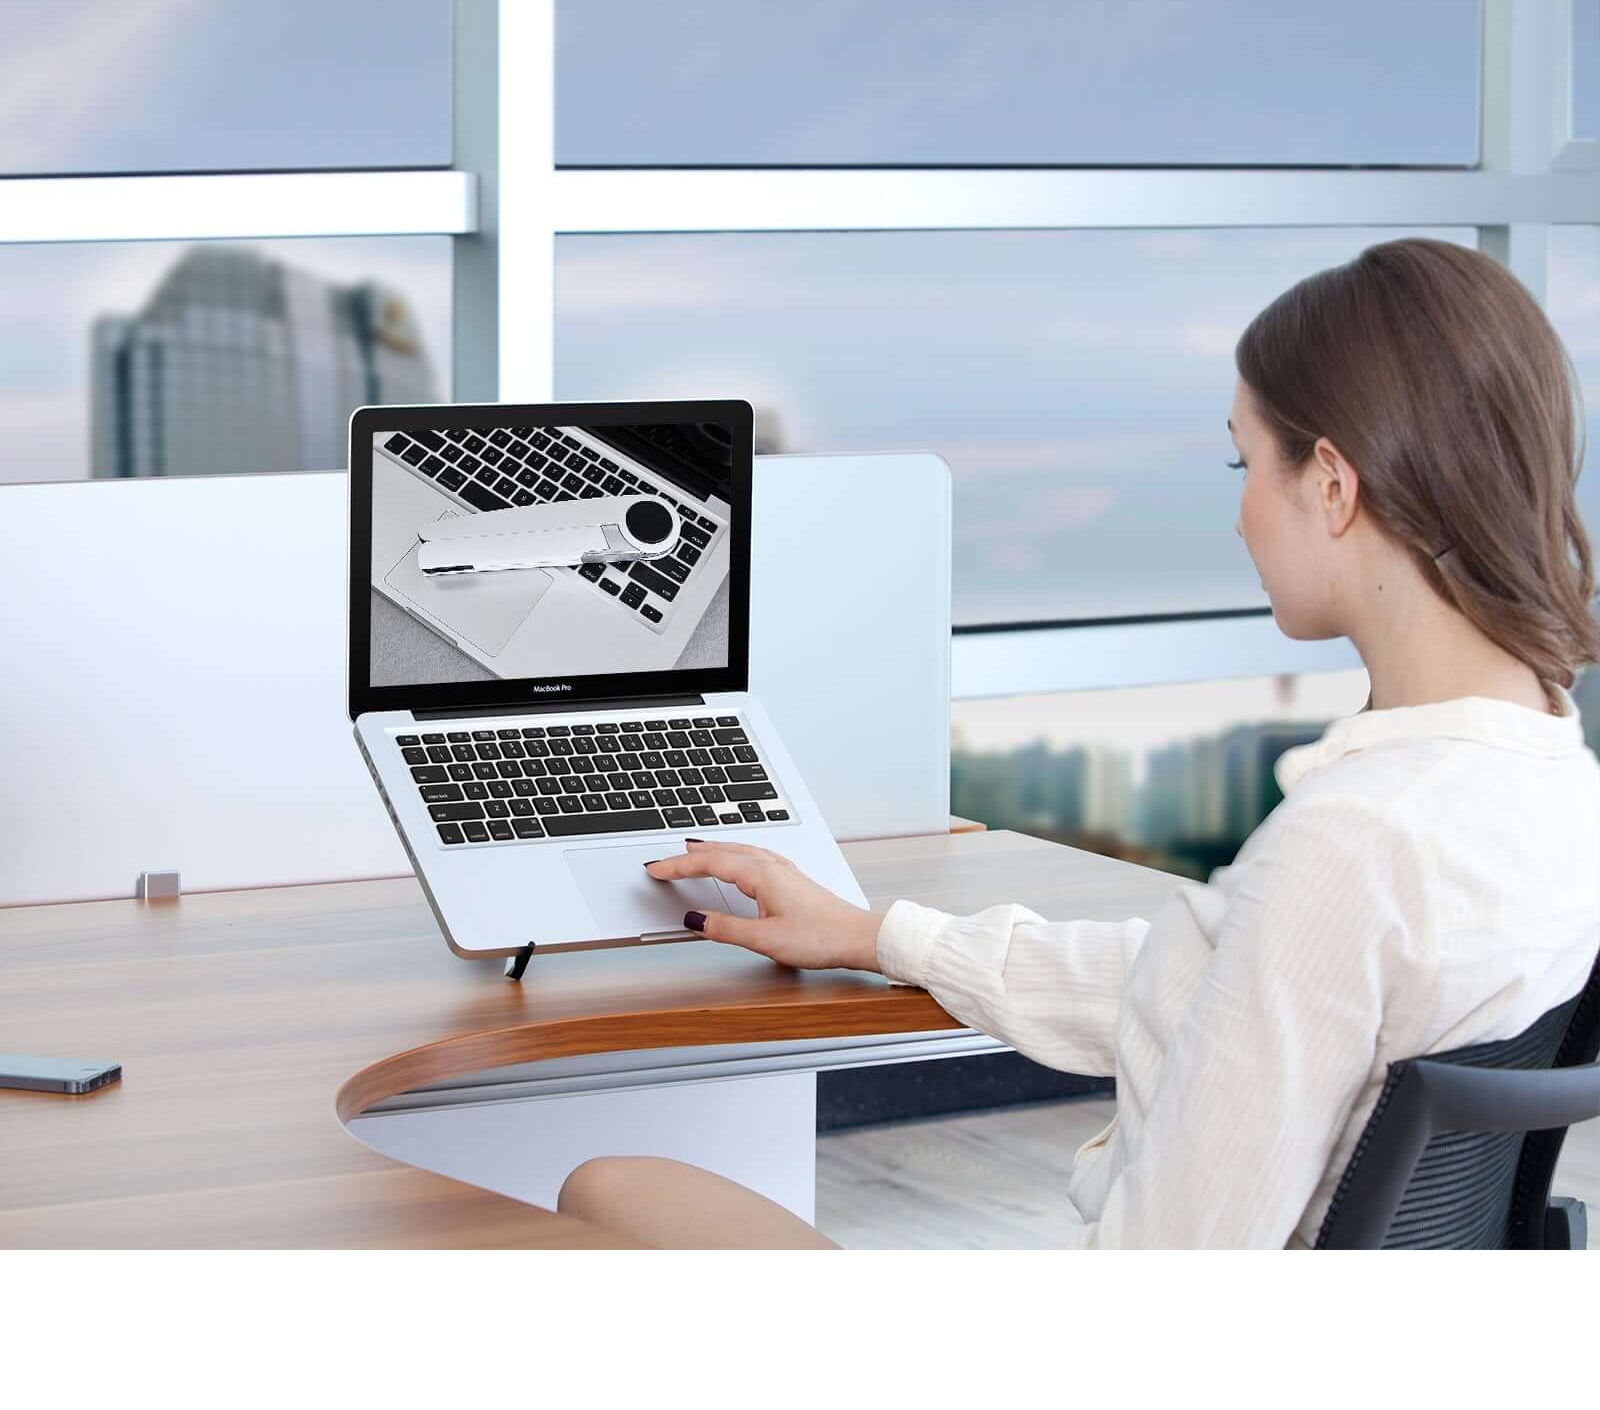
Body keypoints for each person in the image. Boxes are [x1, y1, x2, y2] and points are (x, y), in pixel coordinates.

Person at [558, 238, 1600, 1249]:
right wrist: (874, 936)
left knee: (609, 1189)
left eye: (1246, 460)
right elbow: (1235, 997)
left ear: (1331, 484)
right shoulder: (1548, 778)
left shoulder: (1354, 845)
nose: (1239, 514)